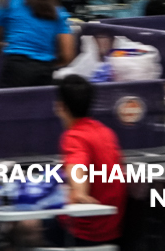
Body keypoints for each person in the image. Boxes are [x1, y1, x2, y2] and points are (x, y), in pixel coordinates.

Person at [42, 75, 125, 249]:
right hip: (112, 232)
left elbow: (77, 167)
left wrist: (79, 192)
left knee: (18, 229)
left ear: (60, 106)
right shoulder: (106, 133)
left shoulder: (74, 137)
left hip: (82, 234)